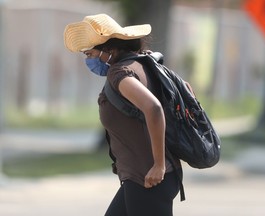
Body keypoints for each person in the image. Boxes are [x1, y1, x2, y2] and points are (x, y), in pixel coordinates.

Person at [64, 13, 182, 216]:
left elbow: (153, 108)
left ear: (108, 50)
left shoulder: (120, 73)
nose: (88, 60)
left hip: (148, 180)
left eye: (89, 54)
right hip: (142, 178)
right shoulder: (143, 65)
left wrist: (158, 164)